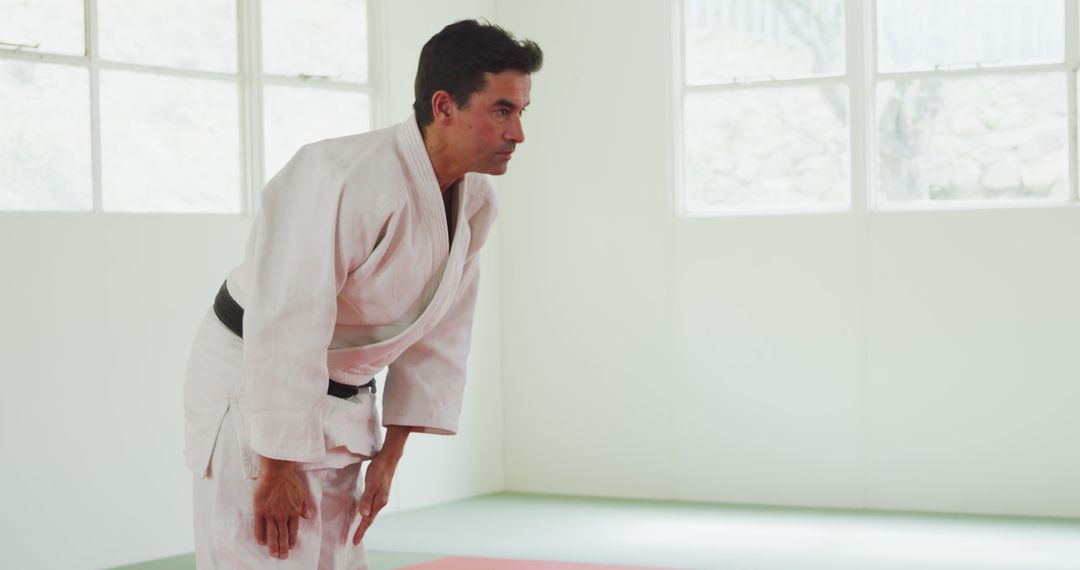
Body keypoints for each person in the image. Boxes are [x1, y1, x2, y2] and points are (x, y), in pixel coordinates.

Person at [182, 19, 542, 569]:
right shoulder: (340, 175)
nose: (517, 133)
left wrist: (391, 454)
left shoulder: (475, 204)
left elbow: (439, 334)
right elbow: (286, 319)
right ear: (443, 106)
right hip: (255, 383)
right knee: (265, 554)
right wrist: (276, 463)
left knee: (337, 557)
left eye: (520, 112)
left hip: (347, 392)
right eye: (501, 110)